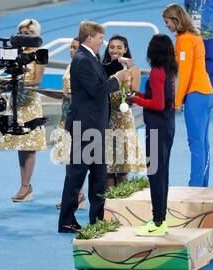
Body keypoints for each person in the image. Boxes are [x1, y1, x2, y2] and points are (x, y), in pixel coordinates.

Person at [58, 21, 129, 233]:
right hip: (85, 127)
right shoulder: (82, 59)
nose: (103, 43)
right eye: (100, 39)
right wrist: (117, 80)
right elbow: (98, 89)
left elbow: (99, 72)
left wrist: (116, 64)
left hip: (94, 126)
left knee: (99, 175)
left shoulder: (90, 57)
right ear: (90, 38)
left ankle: (98, 219)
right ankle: (66, 220)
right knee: (77, 175)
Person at [126, 34, 177, 236]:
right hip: (167, 126)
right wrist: (138, 95)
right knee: (162, 173)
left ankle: (157, 221)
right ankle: (161, 217)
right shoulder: (169, 69)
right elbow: (160, 98)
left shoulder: (156, 72)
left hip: (156, 129)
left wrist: (137, 101)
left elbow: (158, 104)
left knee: (155, 174)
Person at [163, 3, 213, 187]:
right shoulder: (193, 36)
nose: (166, 26)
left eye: (167, 22)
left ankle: (195, 186)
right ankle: (202, 184)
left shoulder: (184, 40)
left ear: (176, 20)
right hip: (205, 92)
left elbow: (184, 72)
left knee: (196, 142)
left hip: (195, 93)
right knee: (203, 142)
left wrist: (177, 101)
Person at [0, 19, 47, 202]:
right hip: (16, 100)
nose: (23, 37)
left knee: (30, 145)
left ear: (34, 34)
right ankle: (25, 184)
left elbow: (37, 81)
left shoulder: (39, 54)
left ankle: (25, 186)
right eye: (21, 33)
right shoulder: (15, 53)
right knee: (20, 144)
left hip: (30, 102)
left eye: (27, 33)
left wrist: (17, 82)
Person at [102, 35, 146, 187]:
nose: (115, 50)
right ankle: (108, 205)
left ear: (126, 50)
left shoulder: (134, 70)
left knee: (122, 167)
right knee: (107, 167)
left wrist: (127, 98)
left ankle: (120, 206)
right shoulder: (102, 68)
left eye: (119, 47)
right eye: (112, 47)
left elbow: (135, 94)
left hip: (124, 121)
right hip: (106, 119)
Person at [51, 37, 87, 210]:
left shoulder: (83, 67)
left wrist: (68, 95)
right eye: (71, 47)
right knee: (68, 159)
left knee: (77, 160)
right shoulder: (68, 66)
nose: (72, 50)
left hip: (79, 116)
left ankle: (77, 195)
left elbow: (83, 94)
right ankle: (73, 194)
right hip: (66, 116)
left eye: (75, 47)